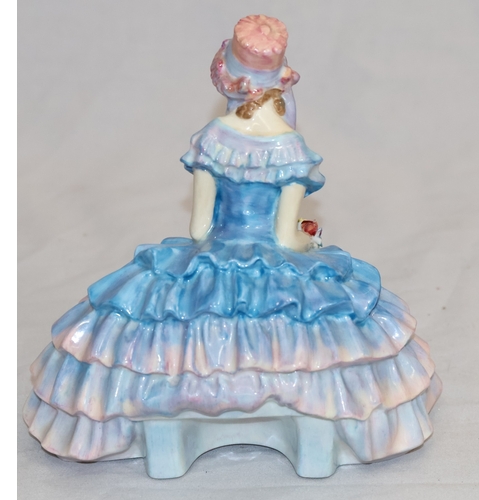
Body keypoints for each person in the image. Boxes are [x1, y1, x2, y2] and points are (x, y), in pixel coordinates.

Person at [23, 14, 441, 478]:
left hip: (216, 255)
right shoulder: (289, 146)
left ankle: (168, 419)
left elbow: (200, 228)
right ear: (280, 82)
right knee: (326, 323)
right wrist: (308, 238)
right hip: (273, 261)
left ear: (229, 80)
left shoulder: (214, 138)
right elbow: (284, 238)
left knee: (156, 320)